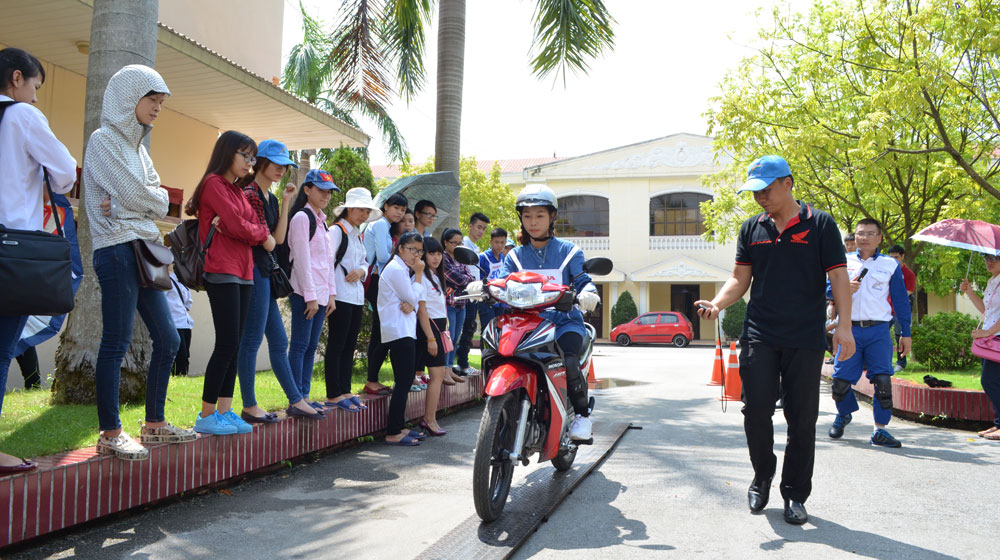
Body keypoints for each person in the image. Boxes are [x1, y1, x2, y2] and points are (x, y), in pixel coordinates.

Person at [694, 155, 855, 525]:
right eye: (754, 192)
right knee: (756, 411)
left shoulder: (821, 225)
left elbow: (840, 278)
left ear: (787, 183)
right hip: (760, 333)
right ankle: (762, 474)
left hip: (805, 336)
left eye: (766, 190)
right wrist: (717, 304)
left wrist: (843, 325)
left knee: (802, 419)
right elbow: (739, 279)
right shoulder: (752, 228)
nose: (760, 198)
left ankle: (795, 493)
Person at [84, 64, 197, 459]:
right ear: (128, 97)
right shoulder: (102, 141)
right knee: (116, 341)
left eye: (161, 102)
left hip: (144, 250)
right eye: (153, 99)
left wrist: (128, 204)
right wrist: (137, 202)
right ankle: (110, 432)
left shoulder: (138, 149)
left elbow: (161, 201)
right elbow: (144, 196)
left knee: (167, 338)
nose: (158, 108)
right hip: (115, 251)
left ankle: (154, 425)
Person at [471, 185, 601, 442]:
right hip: (524, 323)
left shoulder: (569, 252)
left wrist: (589, 292)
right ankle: (498, 406)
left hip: (563, 322)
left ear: (552, 217)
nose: (533, 222)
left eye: (539, 215)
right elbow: (501, 280)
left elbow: (583, 278)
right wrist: (483, 286)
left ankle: (582, 415)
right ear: (521, 218)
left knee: (571, 358)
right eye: (527, 216)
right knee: (494, 351)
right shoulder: (515, 256)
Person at [0, 47, 77, 473]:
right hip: (11, 251)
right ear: (16, 78)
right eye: (35, 87)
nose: (34, 96)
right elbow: (64, 170)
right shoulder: (23, 117)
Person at [188, 131, 275, 435]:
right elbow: (248, 227)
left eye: (253, 158)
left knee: (234, 344)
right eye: (245, 156)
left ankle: (224, 412)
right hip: (222, 269)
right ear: (227, 152)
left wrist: (247, 229)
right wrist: (258, 235)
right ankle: (206, 414)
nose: (250, 164)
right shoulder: (214, 184)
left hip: (245, 271)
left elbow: (251, 223)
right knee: (226, 342)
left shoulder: (239, 190)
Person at [236, 140, 323, 422]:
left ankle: (296, 400)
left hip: (264, 272)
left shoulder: (270, 198)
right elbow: (267, 242)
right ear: (260, 162)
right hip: (251, 271)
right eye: (276, 164)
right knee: (251, 340)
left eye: (285, 166)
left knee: (278, 339)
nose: (281, 170)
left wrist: (285, 202)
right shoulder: (248, 193)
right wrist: (269, 239)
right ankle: (249, 405)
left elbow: (279, 239)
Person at [827, 219, 911, 448]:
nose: (864, 237)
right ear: (854, 236)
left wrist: (906, 333)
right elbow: (825, 289)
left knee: (883, 382)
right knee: (840, 384)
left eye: (870, 233)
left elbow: (902, 301)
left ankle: (880, 431)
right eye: (860, 233)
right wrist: (843, 287)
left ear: (879, 238)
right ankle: (844, 414)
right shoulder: (842, 262)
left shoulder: (889, 264)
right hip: (849, 329)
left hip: (879, 331)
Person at [324, 188, 381, 412]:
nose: (364, 214)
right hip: (339, 295)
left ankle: (345, 390)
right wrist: (329, 295)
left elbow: (365, 262)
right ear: (349, 208)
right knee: (337, 345)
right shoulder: (337, 231)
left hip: (356, 297)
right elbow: (326, 263)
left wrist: (361, 271)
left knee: (350, 346)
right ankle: (334, 393)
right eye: (361, 209)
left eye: (367, 210)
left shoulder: (357, 234)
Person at [286, 170, 339, 407]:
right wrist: (310, 297)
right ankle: (296, 398)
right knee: (299, 346)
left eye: (329, 192)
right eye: (321, 190)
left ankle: (304, 396)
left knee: (310, 346)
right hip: (303, 294)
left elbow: (328, 262)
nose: (326, 196)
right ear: (307, 189)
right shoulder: (301, 218)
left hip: (320, 296)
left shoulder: (322, 222)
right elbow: (301, 260)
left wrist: (331, 295)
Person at [379, 232, 428, 445]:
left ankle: (398, 426)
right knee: (403, 382)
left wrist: (412, 302)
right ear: (400, 248)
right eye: (412, 250)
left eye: (419, 251)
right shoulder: (397, 269)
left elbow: (414, 300)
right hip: (399, 331)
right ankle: (393, 432)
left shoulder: (402, 270)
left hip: (403, 330)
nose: (416, 255)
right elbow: (412, 296)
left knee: (405, 381)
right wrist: (418, 275)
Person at [362, 192, 409, 396]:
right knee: (382, 332)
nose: (400, 213)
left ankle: (372, 379)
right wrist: (399, 253)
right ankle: (371, 380)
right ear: (386, 206)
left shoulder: (384, 225)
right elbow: (381, 256)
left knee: (379, 332)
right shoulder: (381, 224)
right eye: (397, 208)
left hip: (377, 281)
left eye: (403, 210)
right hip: (375, 281)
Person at [416, 236, 455, 436]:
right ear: (423, 254)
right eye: (432, 253)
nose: (436, 257)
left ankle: (430, 419)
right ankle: (428, 420)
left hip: (439, 329)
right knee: (436, 376)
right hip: (429, 330)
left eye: (439, 254)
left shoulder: (437, 276)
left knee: (438, 376)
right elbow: (422, 311)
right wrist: (431, 338)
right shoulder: (421, 276)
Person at [961, 253, 1000, 441]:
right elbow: (986, 310)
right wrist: (969, 292)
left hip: (996, 338)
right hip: (991, 339)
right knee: (994, 381)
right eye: (987, 258)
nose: (989, 262)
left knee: (990, 381)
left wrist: (988, 332)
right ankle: (998, 424)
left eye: (994, 258)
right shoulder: (993, 281)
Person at [455, 212, 490, 375]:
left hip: (474, 293)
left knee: (470, 327)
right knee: (466, 328)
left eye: (484, 228)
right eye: (478, 227)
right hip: (466, 292)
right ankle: (461, 364)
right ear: (470, 226)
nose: (481, 231)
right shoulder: (464, 245)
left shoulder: (475, 247)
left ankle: (463, 363)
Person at [442, 228, 475, 381]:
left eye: (460, 243)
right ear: (445, 242)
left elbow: (471, 277)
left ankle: (449, 368)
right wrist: (465, 281)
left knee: (455, 337)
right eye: (454, 242)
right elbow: (457, 279)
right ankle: (444, 370)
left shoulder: (460, 258)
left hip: (461, 303)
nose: (457, 245)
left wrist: (465, 281)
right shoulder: (443, 258)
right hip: (449, 303)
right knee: (448, 337)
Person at [886, 244, 916, 372]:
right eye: (891, 257)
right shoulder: (886, 270)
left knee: (900, 336)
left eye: (896, 257)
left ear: (903, 257)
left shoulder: (908, 274)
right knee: (882, 336)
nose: (894, 260)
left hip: (899, 312)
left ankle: (901, 363)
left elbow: (907, 293)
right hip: (885, 310)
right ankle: (884, 362)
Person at [165, 268, 194, 377]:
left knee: (186, 354)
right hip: (175, 323)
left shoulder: (184, 283)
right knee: (179, 354)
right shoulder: (167, 281)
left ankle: (183, 375)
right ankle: (177, 375)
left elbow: (188, 304)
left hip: (186, 323)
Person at [478, 227, 509, 325]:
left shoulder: (502, 257)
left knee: (499, 328)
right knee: (487, 328)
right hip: (486, 300)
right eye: (496, 242)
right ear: (491, 242)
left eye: (502, 242)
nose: (499, 245)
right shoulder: (482, 257)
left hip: (500, 299)